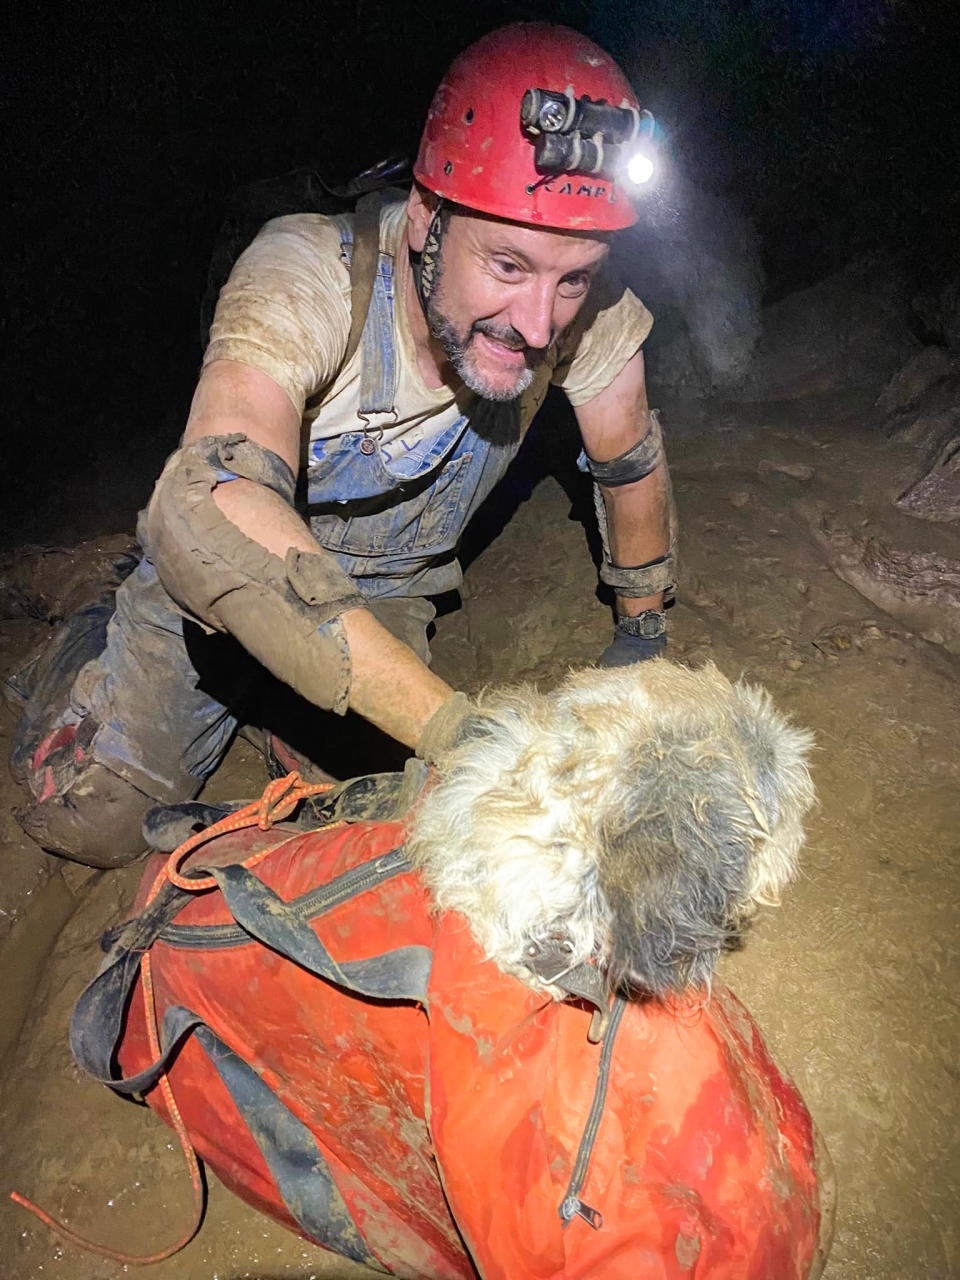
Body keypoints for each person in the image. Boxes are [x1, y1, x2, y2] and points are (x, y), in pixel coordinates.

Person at [11, 23, 675, 868]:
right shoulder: (308, 271)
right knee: (86, 822)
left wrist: (642, 638)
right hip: (216, 599)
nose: (540, 322)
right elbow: (210, 504)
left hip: (384, 604)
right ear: (426, 219)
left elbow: (629, 466)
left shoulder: (587, 310)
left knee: (404, 839)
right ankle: (92, 610)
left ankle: (281, 717)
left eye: (572, 277)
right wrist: (452, 728)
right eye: (508, 265)